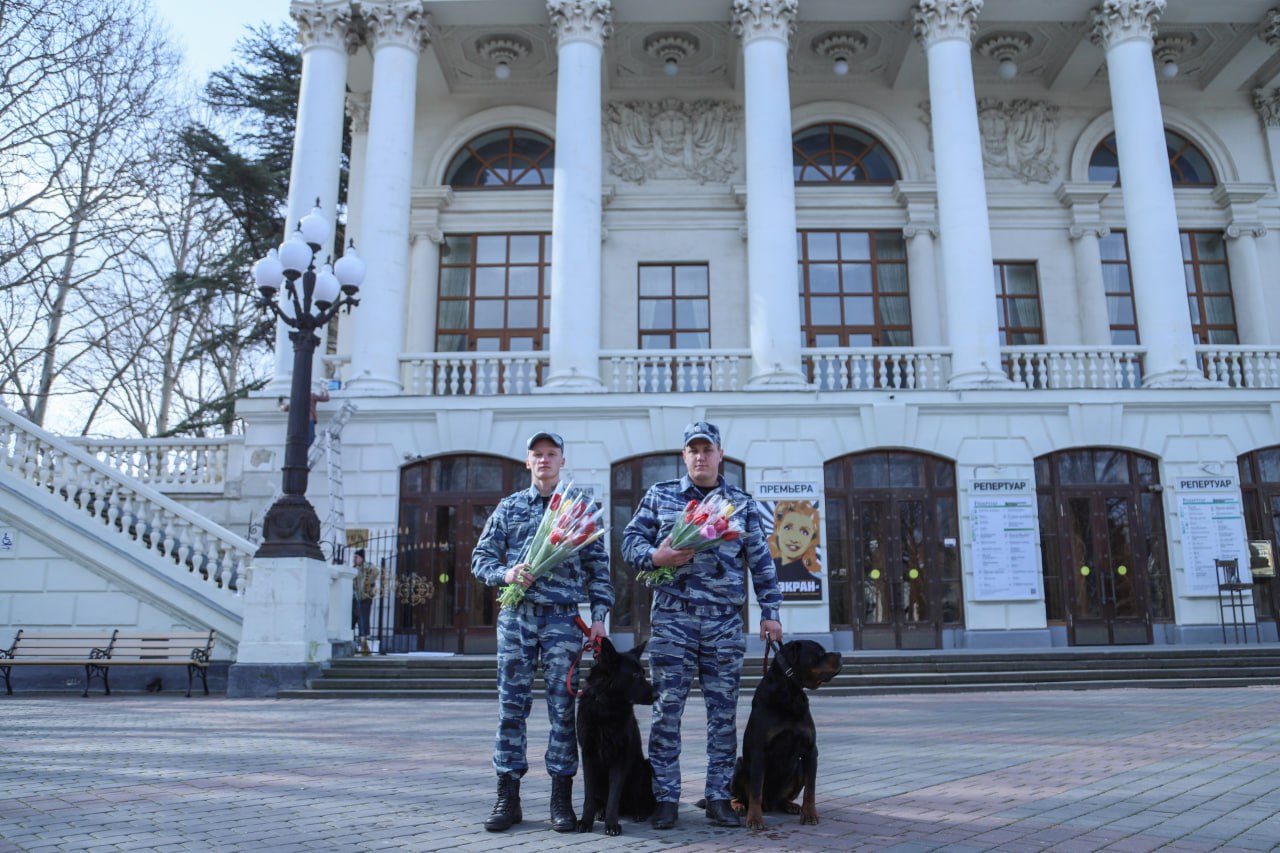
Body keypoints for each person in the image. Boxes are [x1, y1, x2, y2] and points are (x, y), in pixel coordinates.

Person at [622, 421, 783, 830]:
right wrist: (656, 557)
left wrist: (771, 611)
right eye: (693, 450)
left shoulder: (740, 504)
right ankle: (665, 798)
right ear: (684, 456)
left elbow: (761, 563)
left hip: (723, 624)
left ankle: (717, 797)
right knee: (666, 712)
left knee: (722, 714)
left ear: (720, 454)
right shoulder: (660, 497)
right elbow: (629, 543)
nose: (700, 456)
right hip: (673, 621)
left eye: (707, 449)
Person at [471, 430, 613, 833]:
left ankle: (560, 800)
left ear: (562, 461)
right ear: (527, 461)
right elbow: (480, 559)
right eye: (538, 454)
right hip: (518, 617)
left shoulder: (579, 510)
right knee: (511, 710)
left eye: (552, 454)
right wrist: (507, 572)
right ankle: (507, 797)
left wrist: (599, 617)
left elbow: (598, 571)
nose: (545, 460)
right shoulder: (510, 507)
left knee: (562, 711)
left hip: (563, 621)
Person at [768, 500, 823, 600]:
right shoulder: (765, 571)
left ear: (812, 539)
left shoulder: (814, 580)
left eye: (804, 532)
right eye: (788, 528)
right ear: (777, 528)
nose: (794, 539)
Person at [351, 549, 378, 640]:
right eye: (354, 557)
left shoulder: (368, 567)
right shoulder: (354, 569)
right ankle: (353, 637)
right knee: (354, 618)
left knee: (363, 618)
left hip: (365, 598)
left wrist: (369, 582)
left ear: (362, 558)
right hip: (356, 597)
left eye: (356, 557)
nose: (354, 559)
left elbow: (376, 571)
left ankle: (365, 638)